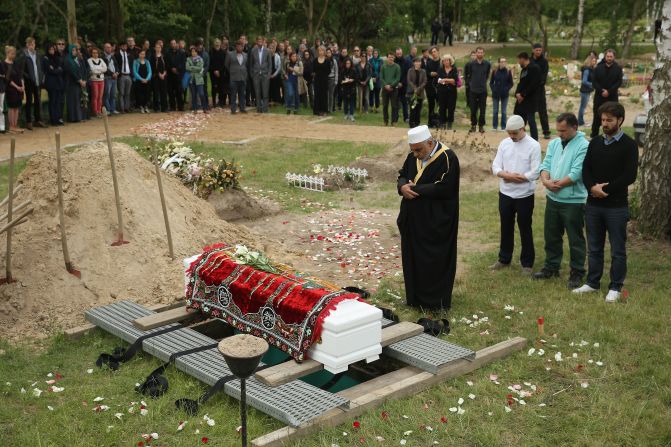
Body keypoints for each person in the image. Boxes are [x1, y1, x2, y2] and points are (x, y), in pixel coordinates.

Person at [573, 102, 638, 302]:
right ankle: (592, 282)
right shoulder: (595, 142)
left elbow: (629, 176)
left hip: (616, 207)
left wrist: (605, 190)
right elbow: (586, 169)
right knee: (594, 247)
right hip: (593, 205)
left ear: (620, 120)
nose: (605, 123)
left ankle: (615, 287)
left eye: (609, 120)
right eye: (603, 120)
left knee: (618, 250)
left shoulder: (629, 145)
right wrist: (592, 188)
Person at [397, 125, 460, 310]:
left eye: (419, 150)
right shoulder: (413, 156)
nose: (415, 154)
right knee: (413, 259)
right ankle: (414, 299)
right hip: (413, 219)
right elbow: (402, 175)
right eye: (413, 150)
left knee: (434, 261)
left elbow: (444, 188)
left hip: (436, 221)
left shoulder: (448, 158)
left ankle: (435, 302)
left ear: (430, 143)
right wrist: (402, 187)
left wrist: (413, 188)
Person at [533, 113, 589, 289]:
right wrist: (545, 181)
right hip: (553, 198)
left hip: (573, 201)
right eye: (558, 130)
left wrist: (557, 185)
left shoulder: (584, 145)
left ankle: (577, 272)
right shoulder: (554, 143)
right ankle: (551, 267)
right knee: (552, 235)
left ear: (575, 127)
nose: (559, 134)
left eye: (563, 131)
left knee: (575, 238)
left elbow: (577, 172)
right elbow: (545, 164)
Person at [490, 115, 541, 274]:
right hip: (505, 193)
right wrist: (505, 175)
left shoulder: (534, 145)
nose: (511, 137)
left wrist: (521, 177)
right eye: (509, 133)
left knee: (525, 227)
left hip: (525, 194)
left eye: (514, 133)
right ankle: (504, 259)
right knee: (506, 226)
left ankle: (527, 263)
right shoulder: (504, 143)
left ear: (522, 129)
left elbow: (536, 170)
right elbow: (495, 165)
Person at [590, 49, 623, 138]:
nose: (609, 58)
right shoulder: (598, 67)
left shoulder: (618, 68)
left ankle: (614, 136)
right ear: (605, 57)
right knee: (597, 117)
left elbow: (619, 82)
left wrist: (609, 91)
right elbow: (594, 82)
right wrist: (601, 90)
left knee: (613, 116)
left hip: (612, 97)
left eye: (611, 56)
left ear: (614, 57)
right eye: (607, 56)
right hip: (599, 97)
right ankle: (594, 137)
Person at [18, 37, 46, 129]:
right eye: (30, 44)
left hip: (38, 81)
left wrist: (41, 76)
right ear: (27, 45)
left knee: (38, 101)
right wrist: (28, 77)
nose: (31, 46)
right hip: (29, 82)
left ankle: (37, 120)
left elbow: (40, 67)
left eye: (33, 44)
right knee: (29, 101)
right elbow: (21, 70)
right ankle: (28, 121)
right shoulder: (24, 55)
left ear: (35, 44)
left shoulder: (38, 55)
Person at [513, 52, 541, 141]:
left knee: (531, 121)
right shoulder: (524, 70)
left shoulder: (534, 68)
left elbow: (533, 85)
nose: (518, 62)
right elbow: (521, 83)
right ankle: (520, 138)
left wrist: (523, 95)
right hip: (521, 100)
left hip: (530, 100)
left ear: (523, 59)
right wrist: (517, 94)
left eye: (519, 60)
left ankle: (535, 141)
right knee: (520, 121)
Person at [466, 47, 490, 133]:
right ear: (476, 53)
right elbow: (469, 76)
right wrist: (471, 84)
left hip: (483, 90)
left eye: (481, 52)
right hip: (473, 90)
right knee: (473, 109)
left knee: (482, 110)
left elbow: (487, 75)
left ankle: (481, 126)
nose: (480, 54)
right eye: (478, 52)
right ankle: (473, 125)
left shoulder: (487, 64)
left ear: (484, 53)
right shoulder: (471, 64)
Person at [531, 43, 551, 139]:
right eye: (536, 50)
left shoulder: (544, 62)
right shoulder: (529, 60)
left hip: (539, 90)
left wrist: (537, 84)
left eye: (540, 50)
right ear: (533, 50)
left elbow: (544, 76)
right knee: (528, 111)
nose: (538, 52)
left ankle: (546, 131)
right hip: (529, 91)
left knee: (542, 111)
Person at [3, 46, 25, 133]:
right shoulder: (3, 64)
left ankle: (15, 125)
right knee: (11, 107)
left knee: (17, 107)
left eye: (14, 54)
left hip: (19, 87)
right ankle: (11, 126)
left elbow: (20, 75)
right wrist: (16, 87)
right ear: (7, 53)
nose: (13, 55)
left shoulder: (15, 63)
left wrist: (22, 86)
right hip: (10, 88)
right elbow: (7, 79)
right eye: (12, 54)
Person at [42, 43, 65, 125]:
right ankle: (53, 119)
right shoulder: (45, 59)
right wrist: (56, 70)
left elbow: (61, 69)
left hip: (58, 83)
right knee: (52, 101)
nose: (52, 51)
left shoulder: (56, 58)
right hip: (51, 83)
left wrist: (55, 69)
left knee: (58, 101)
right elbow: (49, 70)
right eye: (50, 49)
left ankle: (58, 118)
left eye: (53, 49)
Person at [489, 57, 513, 131]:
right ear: (499, 62)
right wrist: (493, 89)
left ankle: (503, 127)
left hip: (505, 94)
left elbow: (511, 83)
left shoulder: (508, 72)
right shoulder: (495, 71)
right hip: (496, 94)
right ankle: (494, 126)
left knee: (504, 111)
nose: (503, 63)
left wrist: (506, 89)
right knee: (495, 111)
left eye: (504, 61)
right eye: (501, 61)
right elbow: (491, 83)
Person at [436, 54, 459, 130]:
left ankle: (449, 125)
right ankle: (442, 124)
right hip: (442, 92)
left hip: (452, 93)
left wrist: (445, 80)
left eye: (447, 60)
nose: (446, 62)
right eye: (444, 61)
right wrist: (449, 80)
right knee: (442, 108)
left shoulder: (454, 69)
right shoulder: (440, 69)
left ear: (450, 61)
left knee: (451, 108)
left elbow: (454, 80)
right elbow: (439, 80)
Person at [225, 40, 248, 114]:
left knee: (242, 94)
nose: (239, 47)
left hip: (242, 77)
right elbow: (226, 65)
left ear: (243, 47)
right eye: (238, 46)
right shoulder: (230, 54)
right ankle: (233, 109)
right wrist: (232, 71)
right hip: (234, 77)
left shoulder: (245, 55)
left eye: (241, 46)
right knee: (233, 94)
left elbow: (246, 65)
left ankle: (242, 108)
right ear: (236, 47)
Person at [249, 36, 271, 113]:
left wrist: (269, 74)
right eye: (258, 40)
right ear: (256, 41)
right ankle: (259, 109)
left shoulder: (267, 50)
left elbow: (270, 64)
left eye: (261, 40)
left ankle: (265, 109)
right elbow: (251, 64)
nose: (259, 41)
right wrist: (252, 74)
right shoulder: (253, 51)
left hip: (265, 75)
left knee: (265, 94)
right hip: (256, 75)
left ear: (263, 41)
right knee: (257, 94)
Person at [64, 44, 85, 123]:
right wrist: (79, 80)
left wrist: (82, 80)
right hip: (71, 83)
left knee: (77, 100)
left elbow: (81, 70)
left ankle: (78, 117)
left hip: (77, 83)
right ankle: (73, 118)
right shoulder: (67, 60)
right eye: (73, 50)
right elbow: (71, 72)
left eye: (75, 50)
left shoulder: (76, 60)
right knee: (72, 101)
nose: (75, 52)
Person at [380, 52, 400, 127]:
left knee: (394, 106)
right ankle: (385, 121)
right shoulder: (383, 66)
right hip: (385, 89)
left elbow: (397, 78)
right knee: (385, 105)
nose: (390, 58)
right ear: (387, 58)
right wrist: (385, 85)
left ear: (394, 58)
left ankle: (394, 121)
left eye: (392, 57)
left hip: (394, 89)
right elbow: (381, 78)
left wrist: (391, 85)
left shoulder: (397, 67)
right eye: (389, 57)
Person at [406, 57, 427, 128]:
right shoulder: (410, 70)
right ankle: (411, 124)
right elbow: (409, 80)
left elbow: (425, 82)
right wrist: (414, 88)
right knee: (412, 109)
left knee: (418, 109)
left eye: (419, 62)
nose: (418, 63)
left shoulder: (423, 71)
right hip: (412, 93)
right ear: (414, 63)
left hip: (420, 93)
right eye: (416, 62)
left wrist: (419, 89)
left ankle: (417, 124)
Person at [186, 46, 207, 113]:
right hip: (192, 80)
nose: (193, 53)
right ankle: (195, 109)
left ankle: (204, 108)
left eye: (195, 52)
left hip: (199, 80)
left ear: (197, 52)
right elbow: (187, 68)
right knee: (194, 95)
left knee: (201, 94)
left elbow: (200, 68)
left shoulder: (200, 59)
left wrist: (192, 67)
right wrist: (195, 68)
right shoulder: (188, 59)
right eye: (192, 52)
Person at [166, 39, 186, 111]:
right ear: (170, 45)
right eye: (172, 44)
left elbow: (183, 62)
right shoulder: (167, 53)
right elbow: (167, 63)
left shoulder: (181, 53)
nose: (173, 45)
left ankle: (180, 106)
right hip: (170, 75)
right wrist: (171, 68)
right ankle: (172, 107)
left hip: (178, 74)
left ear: (176, 44)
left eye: (174, 43)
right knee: (171, 91)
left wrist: (177, 68)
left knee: (179, 91)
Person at [87, 47, 107, 117]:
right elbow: (92, 70)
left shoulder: (101, 60)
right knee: (95, 96)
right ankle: (95, 111)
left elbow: (105, 68)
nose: (95, 54)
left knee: (100, 96)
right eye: (94, 53)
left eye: (96, 53)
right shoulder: (89, 60)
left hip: (101, 80)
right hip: (94, 80)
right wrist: (100, 70)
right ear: (91, 53)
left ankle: (99, 110)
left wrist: (97, 71)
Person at [115, 41, 134, 113]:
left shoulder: (129, 54)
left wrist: (131, 74)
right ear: (120, 46)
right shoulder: (117, 55)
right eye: (123, 46)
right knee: (121, 93)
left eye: (125, 46)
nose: (124, 47)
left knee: (128, 93)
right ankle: (122, 108)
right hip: (121, 75)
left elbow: (131, 65)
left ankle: (127, 107)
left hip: (128, 75)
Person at [578, 54, 596, 127]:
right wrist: (592, 84)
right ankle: (581, 122)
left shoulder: (591, 69)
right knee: (582, 107)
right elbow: (584, 81)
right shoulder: (586, 70)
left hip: (588, 90)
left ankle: (580, 121)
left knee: (583, 106)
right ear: (590, 61)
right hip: (584, 91)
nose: (594, 62)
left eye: (595, 61)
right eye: (593, 61)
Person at [424, 46, 441, 126]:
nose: (433, 53)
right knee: (431, 104)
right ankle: (430, 122)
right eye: (432, 52)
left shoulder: (442, 62)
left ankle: (439, 121)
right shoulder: (429, 62)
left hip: (440, 86)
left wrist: (438, 74)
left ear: (438, 52)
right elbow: (426, 73)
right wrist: (430, 73)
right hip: (430, 86)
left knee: (439, 104)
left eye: (435, 51)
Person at [312, 46, 331, 116]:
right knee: (317, 95)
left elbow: (329, 71)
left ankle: (324, 110)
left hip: (324, 80)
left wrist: (324, 76)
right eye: (319, 51)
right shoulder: (315, 60)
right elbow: (313, 70)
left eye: (322, 51)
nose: (321, 52)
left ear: (324, 52)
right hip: (317, 80)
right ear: (318, 52)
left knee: (324, 95)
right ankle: (317, 110)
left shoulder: (327, 61)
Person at [102, 42, 119, 115]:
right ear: (104, 48)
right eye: (107, 47)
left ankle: (113, 109)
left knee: (113, 94)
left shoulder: (112, 57)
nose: (109, 48)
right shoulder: (102, 57)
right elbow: (105, 68)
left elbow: (117, 66)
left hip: (114, 78)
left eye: (110, 47)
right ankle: (107, 110)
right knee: (107, 94)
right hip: (107, 77)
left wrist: (117, 72)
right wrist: (112, 74)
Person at [150, 43, 168, 112]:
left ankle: (164, 108)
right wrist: (158, 74)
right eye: (156, 47)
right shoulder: (152, 57)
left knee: (163, 92)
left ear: (161, 48)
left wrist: (164, 73)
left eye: (159, 47)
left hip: (164, 76)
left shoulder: (164, 56)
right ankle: (156, 108)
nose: (158, 49)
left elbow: (167, 66)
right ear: (155, 48)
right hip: (156, 76)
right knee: (156, 92)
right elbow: (152, 67)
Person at [394, 48, 410, 123]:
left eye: (400, 54)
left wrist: (402, 83)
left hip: (404, 85)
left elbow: (407, 74)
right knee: (396, 102)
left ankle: (406, 117)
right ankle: (395, 118)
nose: (399, 55)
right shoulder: (394, 62)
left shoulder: (406, 62)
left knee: (404, 102)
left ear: (402, 53)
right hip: (395, 85)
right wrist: (396, 83)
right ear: (395, 54)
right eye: (397, 54)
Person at [209, 38, 226, 108]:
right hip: (213, 73)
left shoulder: (223, 52)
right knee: (214, 87)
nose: (217, 44)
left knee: (221, 87)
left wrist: (219, 71)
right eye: (215, 42)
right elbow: (210, 63)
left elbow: (224, 64)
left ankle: (221, 102)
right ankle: (214, 102)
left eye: (218, 42)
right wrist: (214, 71)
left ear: (220, 44)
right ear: (214, 44)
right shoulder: (211, 52)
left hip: (221, 73)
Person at [326, 47, 338, 113]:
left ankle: (330, 109)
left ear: (331, 53)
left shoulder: (334, 61)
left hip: (332, 79)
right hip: (325, 79)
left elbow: (336, 71)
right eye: (327, 53)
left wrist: (336, 80)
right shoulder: (324, 60)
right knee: (326, 95)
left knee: (331, 95)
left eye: (329, 53)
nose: (328, 54)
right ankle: (326, 108)